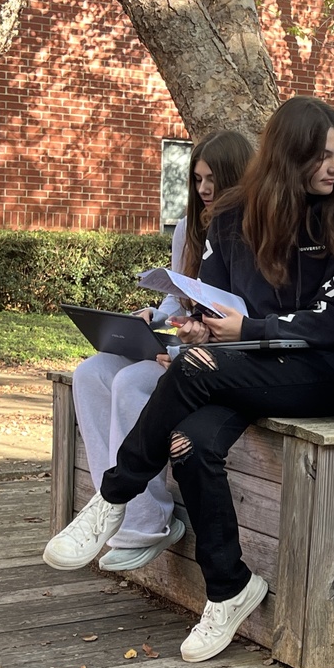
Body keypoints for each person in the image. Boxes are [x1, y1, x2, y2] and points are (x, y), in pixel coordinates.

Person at [43, 96, 334, 663]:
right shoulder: (233, 218)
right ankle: (229, 586)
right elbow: (209, 300)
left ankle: (114, 494)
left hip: (320, 370)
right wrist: (198, 327)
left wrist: (250, 327)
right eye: (322, 157)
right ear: (287, 157)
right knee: (190, 445)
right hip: (244, 364)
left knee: (198, 372)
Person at [68, 130, 253, 573]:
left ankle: (148, 523)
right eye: (197, 179)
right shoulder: (190, 227)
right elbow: (179, 297)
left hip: (218, 357)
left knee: (133, 382)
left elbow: (250, 313)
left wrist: (197, 333)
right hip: (177, 343)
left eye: (214, 180)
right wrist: (155, 316)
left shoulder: (251, 231)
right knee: (91, 373)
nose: (204, 190)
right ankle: (115, 516)